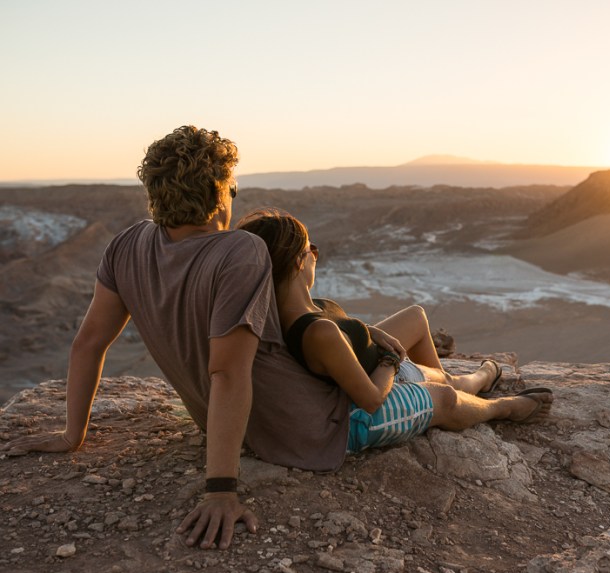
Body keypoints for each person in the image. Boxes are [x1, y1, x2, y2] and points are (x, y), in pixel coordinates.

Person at [0, 126, 350, 551]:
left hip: (237, 430)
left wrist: (73, 434)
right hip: (314, 427)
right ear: (219, 191)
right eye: (232, 188)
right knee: (449, 401)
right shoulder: (240, 250)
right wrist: (220, 490)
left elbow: (88, 343)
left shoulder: (125, 246)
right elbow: (226, 371)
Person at [236, 208, 553, 453]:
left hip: (373, 364)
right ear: (296, 261)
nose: (315, 256)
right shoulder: (316, 332)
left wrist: (371, 331)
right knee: (443, 397)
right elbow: (371, 399)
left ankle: (477, 380)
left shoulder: (309, 305)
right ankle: (503, 409)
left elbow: (338, 330)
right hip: (367, 398)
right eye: (310, 249)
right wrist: (390, 360)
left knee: (416, 319)